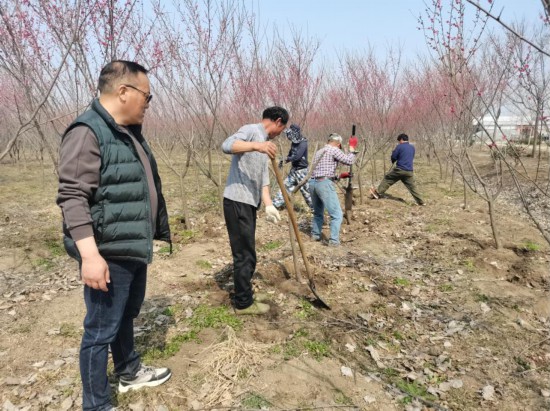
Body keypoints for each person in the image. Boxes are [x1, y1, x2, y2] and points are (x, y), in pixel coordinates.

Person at [57, 60, 172, 411]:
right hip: (108, 251)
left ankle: (129, 371)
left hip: (131, 245)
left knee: (125, 315)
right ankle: (95, 404)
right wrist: (90, 257)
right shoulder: (87, 131)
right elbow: (73, 196)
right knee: (99, 331)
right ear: (123, 91)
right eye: (147, 97)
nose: (148, 104)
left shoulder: (126, 130)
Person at [221, 106, 289, 315]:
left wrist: (268, 204)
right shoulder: (251, 130)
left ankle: (246, 292)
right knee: (244, 253)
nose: (281, 133)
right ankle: (243, 303)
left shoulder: (267, 146)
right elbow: (227, 145)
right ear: (278, 121)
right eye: (282, 128)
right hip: (236, 200)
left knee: (249, 251)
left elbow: (264, 182)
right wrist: (256, 145)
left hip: (249, 203)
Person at [309, 133, 357, 246]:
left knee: (318, 212)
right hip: (324, 184)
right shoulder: (334, 149)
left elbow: (322, 171)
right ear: (338, 144)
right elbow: (349, 161)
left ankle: (315, 235)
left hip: (312, 183)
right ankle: (334, 241)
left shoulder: (319, 152)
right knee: (337, 214)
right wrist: (352, 149)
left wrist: (340, 176)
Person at [370, 133, 425, 205]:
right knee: (412, 187)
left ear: (402, 139)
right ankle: (421, 202)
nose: (399, 142)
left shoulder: (399, 146)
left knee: (388, 178)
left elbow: (394, 157)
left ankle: (377, 193)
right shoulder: (412, 147)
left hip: (400, 170)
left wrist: (393, 156)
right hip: (409, 171)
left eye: (399, 140)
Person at [272, 124, 313, 210]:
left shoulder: (303, 143)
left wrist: (287, 158)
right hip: (293, 170)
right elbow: (291, 154)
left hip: (302, 171)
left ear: (295, 133)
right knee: (285, 187)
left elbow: (297, 156)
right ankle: (274, 205)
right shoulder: (294, 143)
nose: (289, 136)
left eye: (291, 134)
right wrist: (284, 160)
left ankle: (316, 210)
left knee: (307, 192)